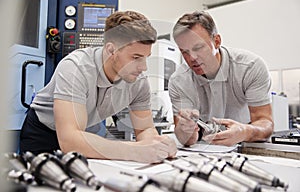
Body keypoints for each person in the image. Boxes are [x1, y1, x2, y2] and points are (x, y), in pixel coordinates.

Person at [19, 11, 177, 163]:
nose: (143, 67)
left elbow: (144, 130)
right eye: (136, 58)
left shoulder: (139, 82)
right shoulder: (76, 67)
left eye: (145, 58)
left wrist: (157, 145)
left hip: (81, 134)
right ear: (111, 50)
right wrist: (136, 150)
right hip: (43, 133)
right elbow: (70, 141)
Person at [168, 11, 274, 146]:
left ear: (217, 41)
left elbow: (265, 123)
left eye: (199, 47)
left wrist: (244, 131)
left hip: (248, 145)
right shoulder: (179, 81)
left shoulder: (250, 67)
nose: (192, 58)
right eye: (185, 51)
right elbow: (186, 138)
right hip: (204, 150)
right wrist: (187, 132)